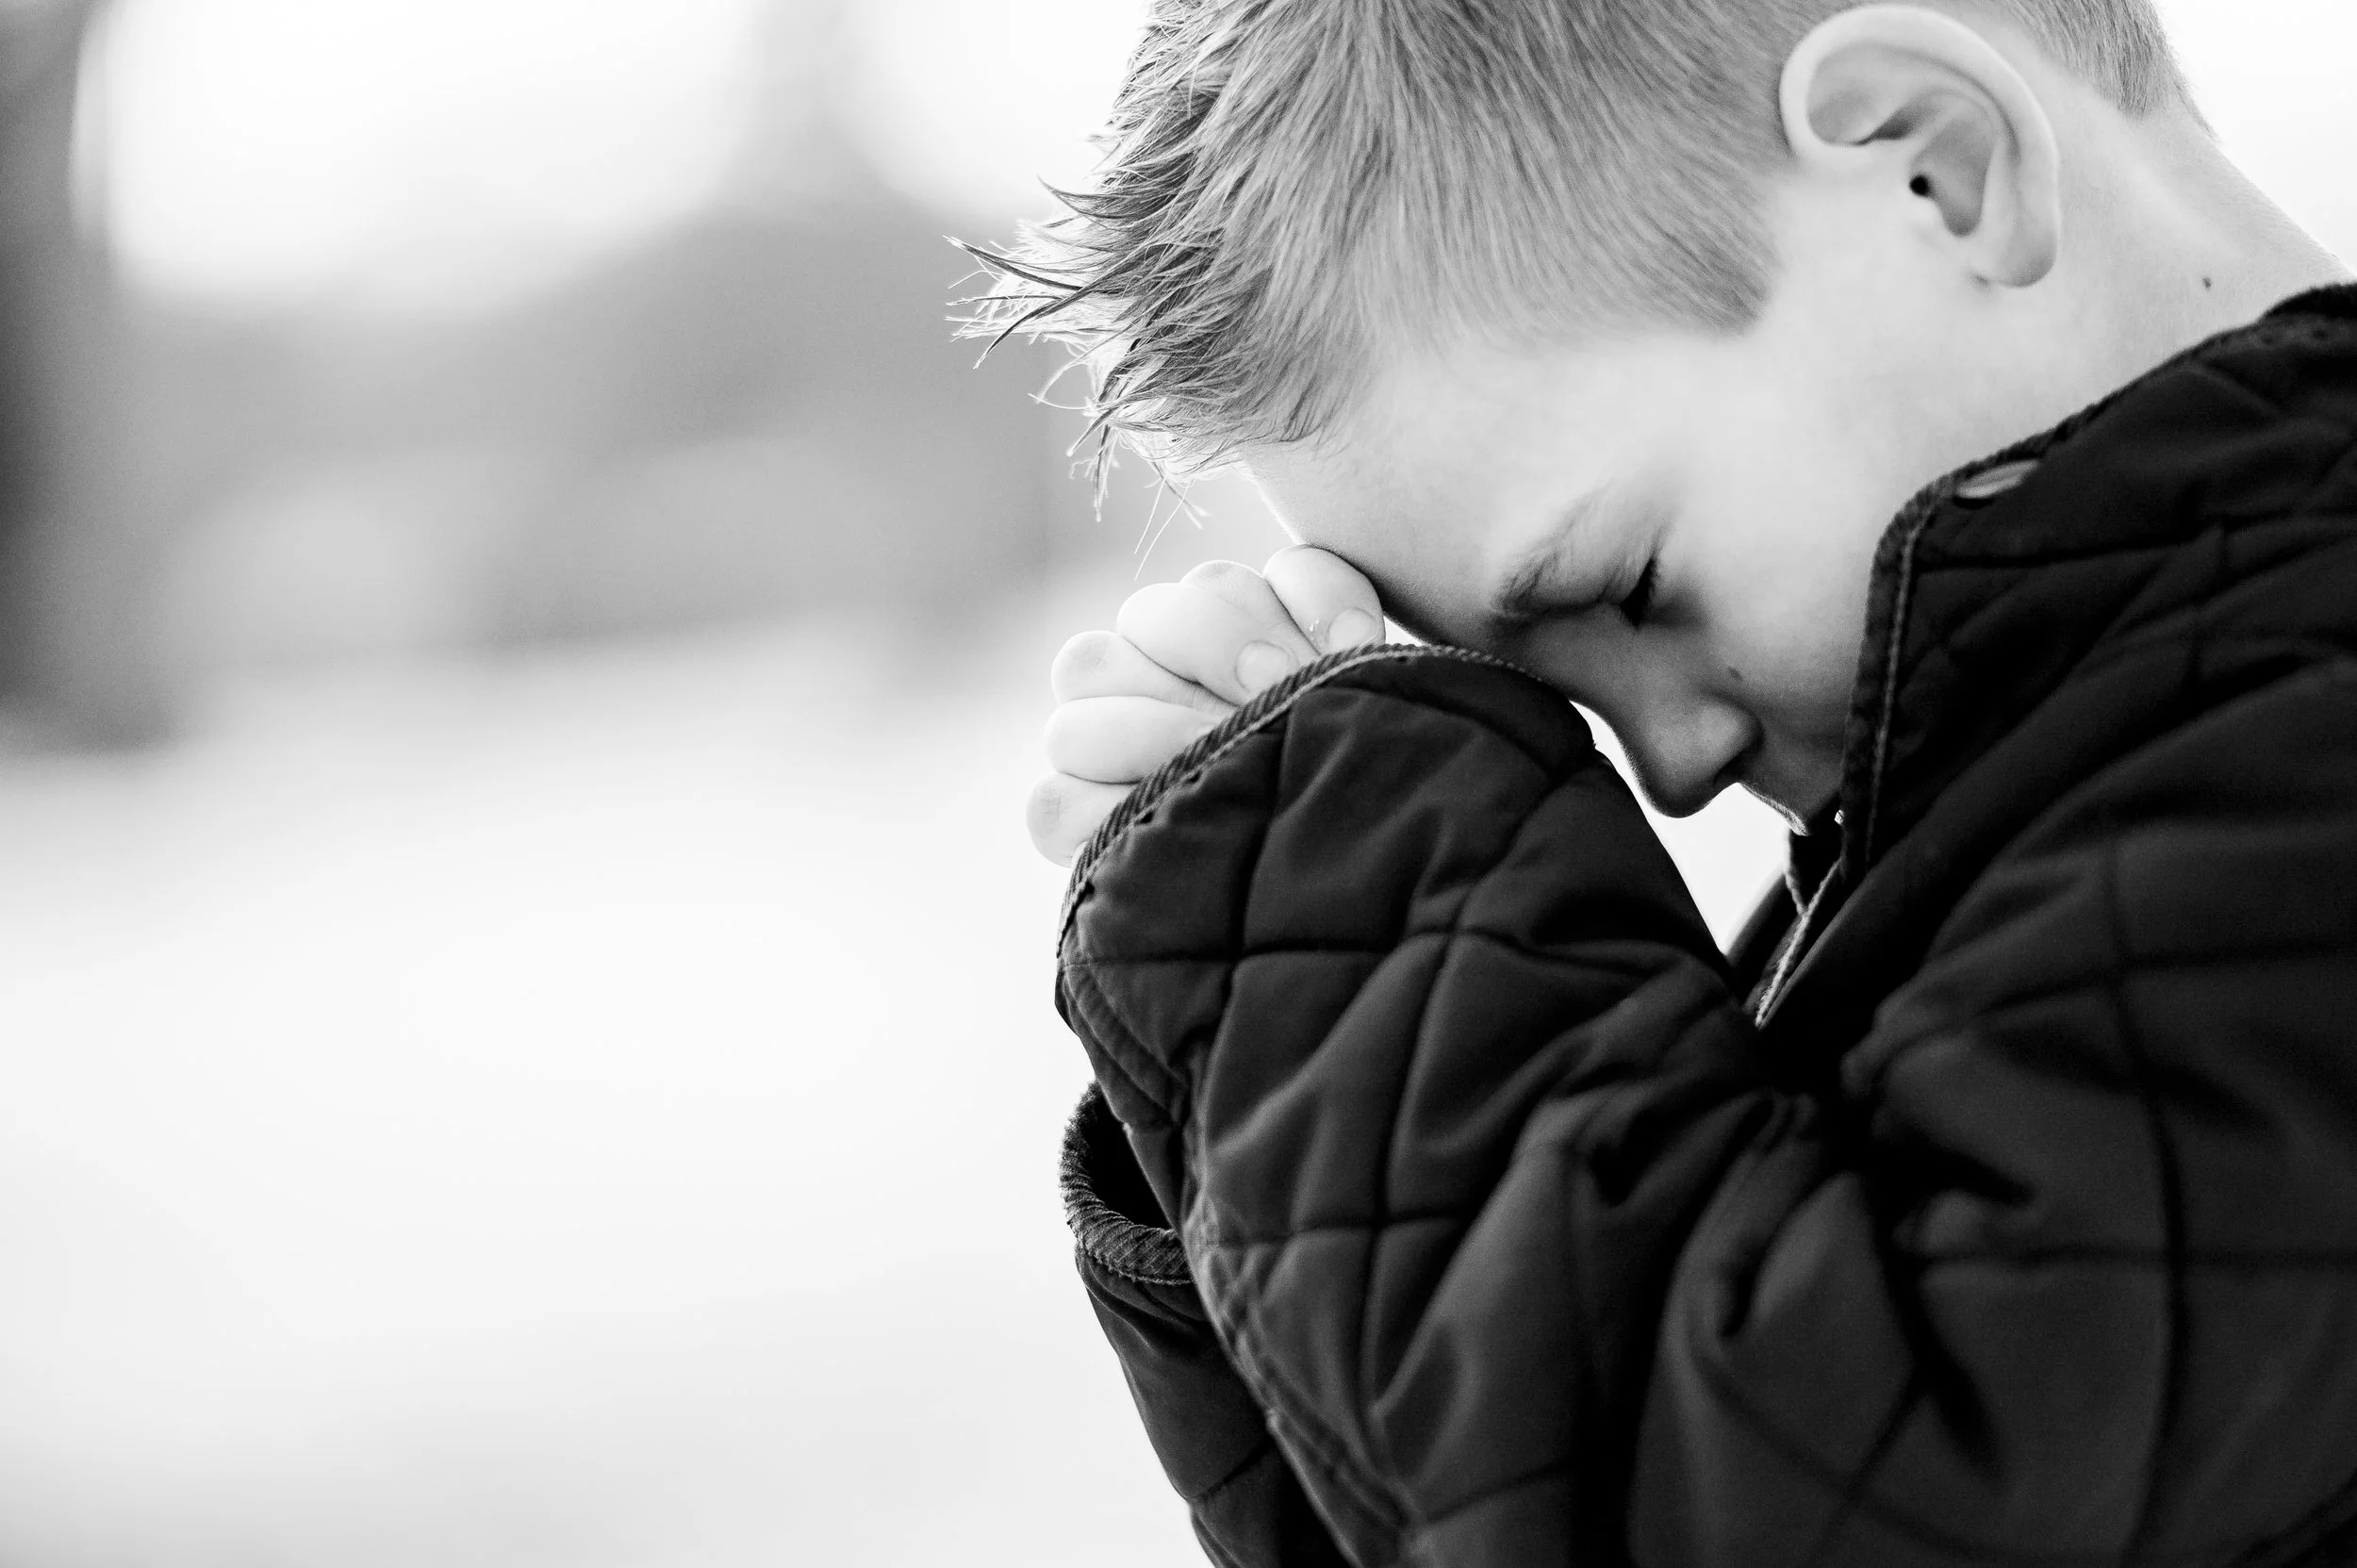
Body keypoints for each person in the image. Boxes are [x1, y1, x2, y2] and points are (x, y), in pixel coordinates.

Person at [969, 2, 2357, 1562]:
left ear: (1933, 168)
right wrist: (1258, 1055)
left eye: (1628, 586)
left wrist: (1331, 883)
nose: (1675, 773)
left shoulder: (2291, 763)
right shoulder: (2086, 779)